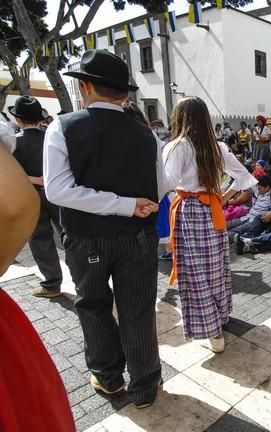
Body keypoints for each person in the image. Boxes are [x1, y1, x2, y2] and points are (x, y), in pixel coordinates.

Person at [43, 49, 166, 408]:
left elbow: (58, 190)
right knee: (138, 309)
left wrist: (116, 204)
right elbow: (159, 186)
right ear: (125, 94)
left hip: (86, 238)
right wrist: (128, 204)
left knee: (94, 305)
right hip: (138, 236)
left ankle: (109, 377)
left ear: (85, 87)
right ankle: (145, 385)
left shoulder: (62, 127)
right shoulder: (147, 135)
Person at [164, 96, 257, 356]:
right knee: (215, 269)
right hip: (212, 210)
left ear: (179, 118)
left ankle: (213, 332)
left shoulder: (177, 147)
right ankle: (220, 317)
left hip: (189, 211)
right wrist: (222, 198)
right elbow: (244, 178)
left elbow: (167, 182)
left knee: (194, 272)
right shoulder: (217, 147)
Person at [0, 120, 75, 431]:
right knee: (58, 235)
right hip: (53, 198)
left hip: (37, 195)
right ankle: (63, 272)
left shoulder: (29, 138)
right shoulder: (48, 136)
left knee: (42, 243)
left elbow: (15, 205)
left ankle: (52, 280)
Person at [9, 95, 64, 298]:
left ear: (18, 119)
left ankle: (52, 283)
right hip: (57, 193)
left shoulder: (14, 143)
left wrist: (34, 179)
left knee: (41, 239)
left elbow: (11, 174)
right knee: (68, 235)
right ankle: (81, 278)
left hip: (31, 197)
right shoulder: (51, 137)